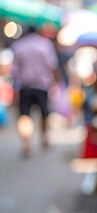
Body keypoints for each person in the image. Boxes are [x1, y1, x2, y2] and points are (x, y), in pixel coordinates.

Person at [10, 25, 60, 157]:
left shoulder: (18, 45)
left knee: (24, 115)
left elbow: (14, 71)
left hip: (25, 86)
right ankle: (45, 138)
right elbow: (52, 65)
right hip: (42, 85)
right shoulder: (45, 44)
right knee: (44, 114)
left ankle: (26, 143)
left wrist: (15, 88)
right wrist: (57, 82)